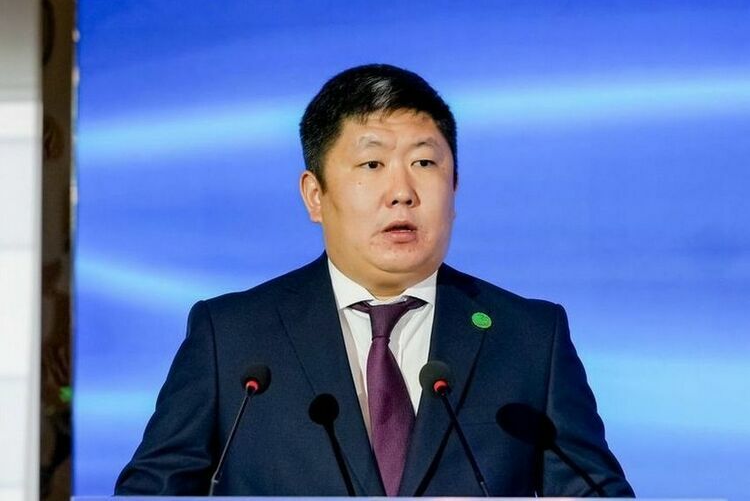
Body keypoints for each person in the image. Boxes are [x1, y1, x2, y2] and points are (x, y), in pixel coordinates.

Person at [115, 64, 634, 497]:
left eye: (424, 162)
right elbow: (151, 491)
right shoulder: (231, 336)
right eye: (372, 163)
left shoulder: (528, 337)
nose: (402, 191)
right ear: (315, 195)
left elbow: (597, 491)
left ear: (454, 186)